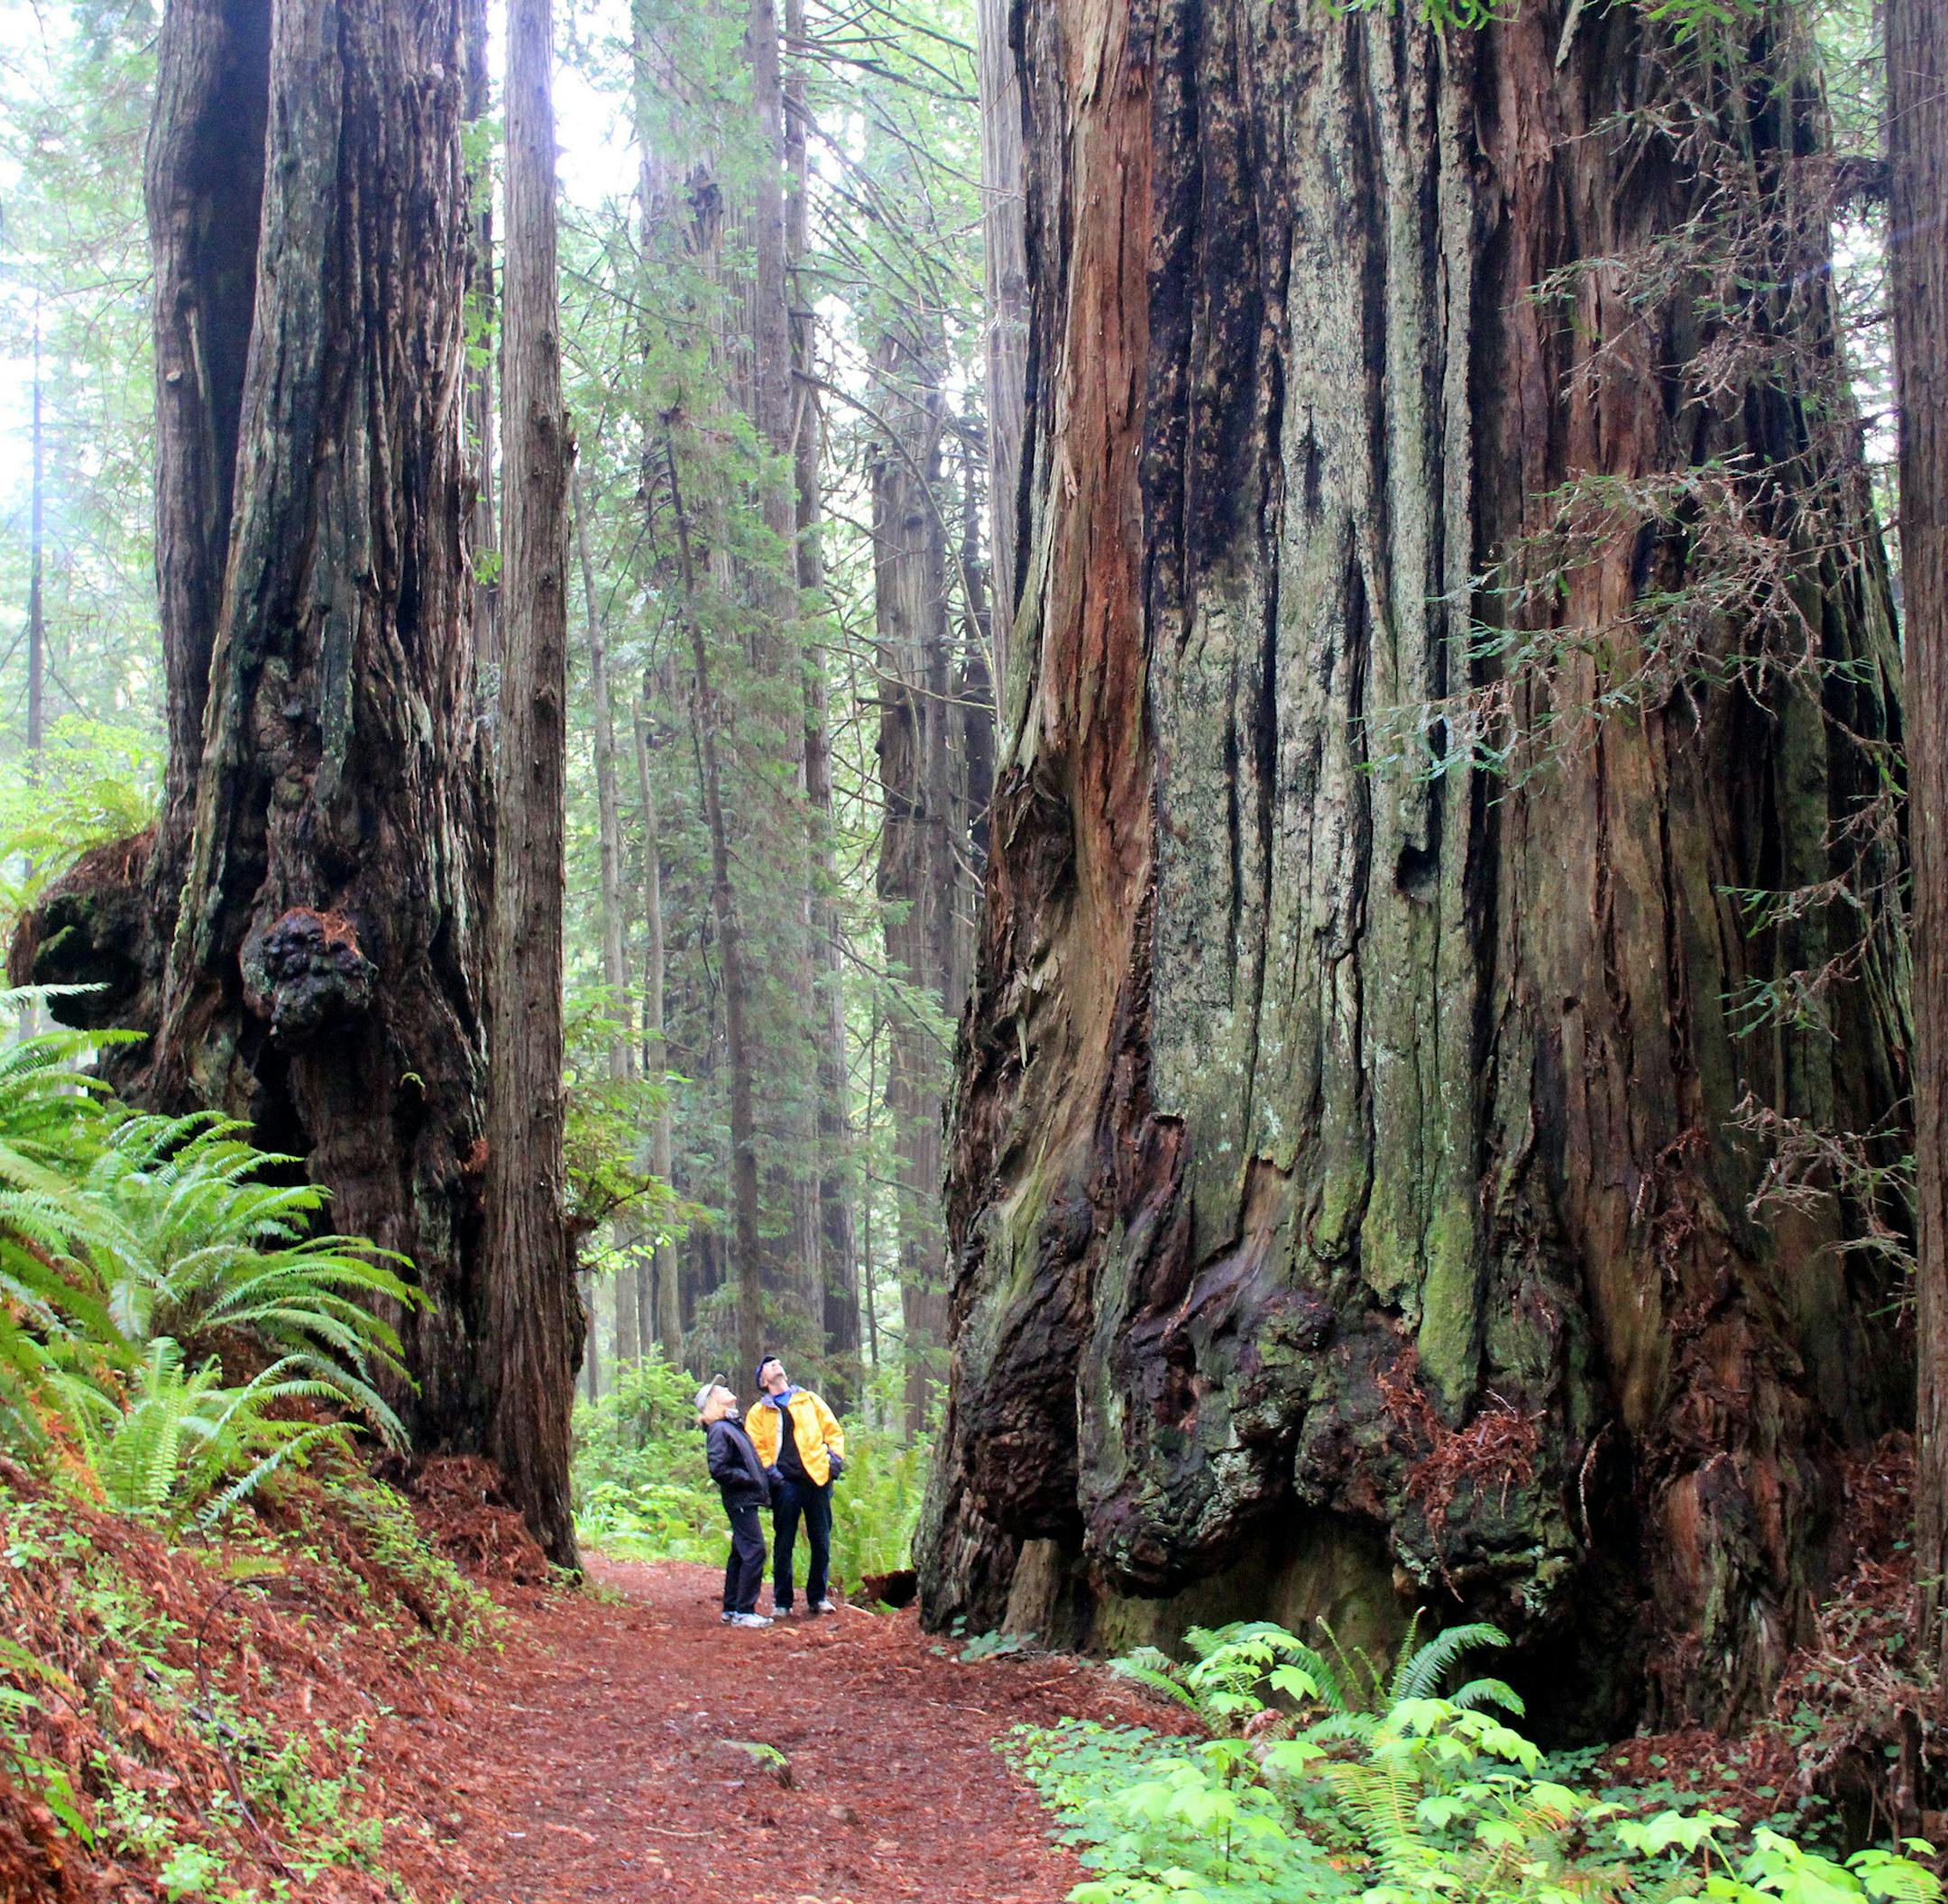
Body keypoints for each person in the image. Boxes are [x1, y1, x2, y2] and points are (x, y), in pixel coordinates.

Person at [746, 1355, 846, 1615]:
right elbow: (757, 1447)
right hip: (785, 1484)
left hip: (817, 1478)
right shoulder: (759, 1412)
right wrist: (772, 1474)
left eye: (778, 1361)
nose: (776, 1364)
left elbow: (833, 1430)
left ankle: (818, 1597)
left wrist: (835, 1461)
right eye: (769, 1365)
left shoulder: (809, 1400)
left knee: (821, 1540)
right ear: (763, 1380)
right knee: (785, 1542)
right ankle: (782, 1602)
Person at [695, 1378, 773, 1629]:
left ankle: (731, 1608)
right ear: (713, 1401)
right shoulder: (719, 1429)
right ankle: (744, 1611)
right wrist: (748, 1480)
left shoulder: (730, 1425)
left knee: (741, 1551)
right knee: (754, 1549)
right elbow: (718, 1468)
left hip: (744, 1496)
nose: (729, 1390)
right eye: (722, 1390)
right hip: (739, 1497)